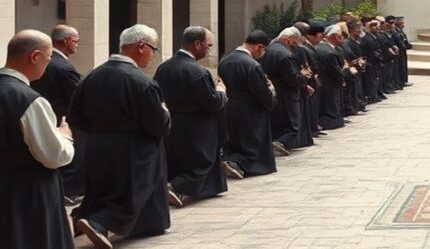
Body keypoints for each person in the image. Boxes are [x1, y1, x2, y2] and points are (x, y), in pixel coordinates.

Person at [70, 24, 171, 249]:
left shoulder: (90, 77)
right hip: (135, 148)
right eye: (154, 49)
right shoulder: (142, 82)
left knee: (101, 188)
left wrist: (99, 132)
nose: (154, 55)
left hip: (97, 144)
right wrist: (164, 112)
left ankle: (85, 219)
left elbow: (75, 116)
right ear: (141, 46)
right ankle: (98, 223)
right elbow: (159, 125)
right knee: (133, 191)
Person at [0, 30, 75, 249]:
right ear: (35, 57)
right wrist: (65, 136)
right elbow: (53, 156)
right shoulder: (29, 100)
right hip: (28, 193)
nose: (48, 63)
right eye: (49, 58)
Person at [154, 26, 229, 206]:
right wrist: (221, 91)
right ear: (197, 44)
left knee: (178, 159)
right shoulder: (198, 72)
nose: (209, 50)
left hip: (173, 122)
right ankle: (176, 188)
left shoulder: (163, 68)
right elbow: (211, 103)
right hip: (197, 125)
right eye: (208, 45)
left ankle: (176, 187)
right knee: (202, 161)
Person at [32, 24, 85, 202]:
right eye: (76, 41)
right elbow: (78, 96)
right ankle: (68, 192)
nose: (77, 45)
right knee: (69, 157)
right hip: (64, 120)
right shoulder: (63, 68)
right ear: (67, 41)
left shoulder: (45, 62)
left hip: (43, 116)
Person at [219, 30, 278, 177]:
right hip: (251, 108)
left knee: (235, 138)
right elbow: (261, 92)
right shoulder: (252, 65)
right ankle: (238, 162)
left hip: (230, 105)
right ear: (259, 46)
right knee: (252, 141)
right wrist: (271, 91)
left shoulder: (225, 60)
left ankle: (231, 159)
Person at [265, 27, 314, 151]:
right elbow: (293, 78)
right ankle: (279, 143)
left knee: (277, 120)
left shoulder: (269, 49)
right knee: (293, 125)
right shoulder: (286, 55)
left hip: (272, 89)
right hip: (286, 93)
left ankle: (276, 142)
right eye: (294, 43)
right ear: (287, 40)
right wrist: (303, 75)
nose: (294, 46)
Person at [316, 24, 348, 130]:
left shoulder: (320, 48)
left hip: (322, 82)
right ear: (334, 36)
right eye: (339, 36)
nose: (341, 39)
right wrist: (342, 78)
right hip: (330, 83)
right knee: (330, 105)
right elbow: (335, 70)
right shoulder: (330, 52)